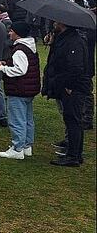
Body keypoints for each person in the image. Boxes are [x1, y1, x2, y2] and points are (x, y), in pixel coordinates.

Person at [44, 21, 91, 167]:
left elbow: (76, 67)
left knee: (73, 120)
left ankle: (73, 156)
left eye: (56, 22)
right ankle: (75, 153)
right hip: (68, 85)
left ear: (63, 24)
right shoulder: (65, 38)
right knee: (72, 120)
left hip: (74, 87)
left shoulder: (74, 41)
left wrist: (69, 86)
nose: (54, 24)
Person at [0, 22, 39, 160]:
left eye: (11, 31)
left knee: (17, 119)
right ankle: (26, 146)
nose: (9, 33)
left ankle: (17, 148)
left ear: (17, 33)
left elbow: (20, 70)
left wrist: (2, 69)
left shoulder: (19, 49)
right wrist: (7, 63)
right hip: (29, 89)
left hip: (19, 89)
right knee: (27, 119)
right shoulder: (29, 46)